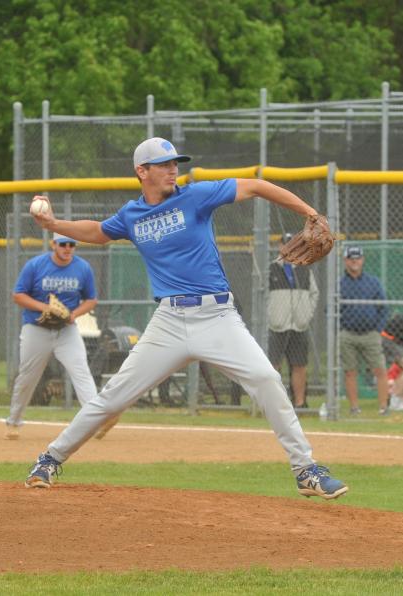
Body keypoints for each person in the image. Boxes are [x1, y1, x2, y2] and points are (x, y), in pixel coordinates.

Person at [23, 137, 348, 499]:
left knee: (266, 378)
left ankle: (305, 470)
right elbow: (98, 232)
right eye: (163, 164)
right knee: (113, 397)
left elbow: (256, 185)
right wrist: (53, 225)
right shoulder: (131, 215)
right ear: (141, 171)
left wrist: (310, 213)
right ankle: (49, 459)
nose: (172, 169)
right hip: (170, 321)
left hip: (217, 316)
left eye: (174, 162)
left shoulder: (195, 196)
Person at [5, 233, 99, 439]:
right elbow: (18, 295)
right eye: (63, 244)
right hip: (36, 329)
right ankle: (14, 420)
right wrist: (44, 307)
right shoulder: (35, 265)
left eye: (72, 244)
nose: (68, 248)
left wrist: (73, 314)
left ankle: (95, 421)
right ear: (53, 244)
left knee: (81, 371)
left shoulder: (82, 268)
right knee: (28, 376)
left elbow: (91, 300)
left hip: (66, 330)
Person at [268, 232, 319, 408]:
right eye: (286, 244)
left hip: (298, 325)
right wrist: (272, 315)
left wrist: (306, 315)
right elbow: (262, 297)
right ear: (280, 247)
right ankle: (275, 403)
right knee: (273, 365)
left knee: (299, 365)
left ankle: (299, 402)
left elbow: (314, 294)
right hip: (277, 326)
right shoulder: (272, 268)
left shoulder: (305, 268)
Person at [339, 246, 391, 416]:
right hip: (348, 334)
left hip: (370, 334)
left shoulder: (373, 282)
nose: (355, 261)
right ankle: (354, 408)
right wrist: (341, 328)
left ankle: (383, 407)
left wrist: (377, 330)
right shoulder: (340, 284)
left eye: (358, 258)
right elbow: (330, 310)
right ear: (345, 261)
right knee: (350, 371)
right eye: (351, 258)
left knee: (380, 370)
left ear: (363, 260)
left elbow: (383, 308)